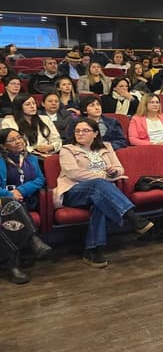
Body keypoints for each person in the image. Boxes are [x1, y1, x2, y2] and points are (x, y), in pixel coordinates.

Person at [56, 118, 153, 268]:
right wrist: (104, 176)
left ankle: (93, 250)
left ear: (95, 133)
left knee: (99, 204)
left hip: (101, 193)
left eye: (85, 131)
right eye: (77, 131)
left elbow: (120, 169)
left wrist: (114, 172)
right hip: (73, 191)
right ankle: (133, 217)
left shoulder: (106, 147)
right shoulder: (67, 149)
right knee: (99, 185)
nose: (80, 134)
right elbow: (73, 173)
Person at [0, 128, 52, 284]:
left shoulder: (31, 158)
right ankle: (31, 241)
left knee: (13, 208)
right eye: (12, 140)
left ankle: (13, 265)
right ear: (3, 146)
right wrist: (10, 194)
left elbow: (40, 180)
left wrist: (21, 190)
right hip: (4, 201)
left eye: (19, 137)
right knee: (10, 207)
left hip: (27, 199)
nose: (18, 141)